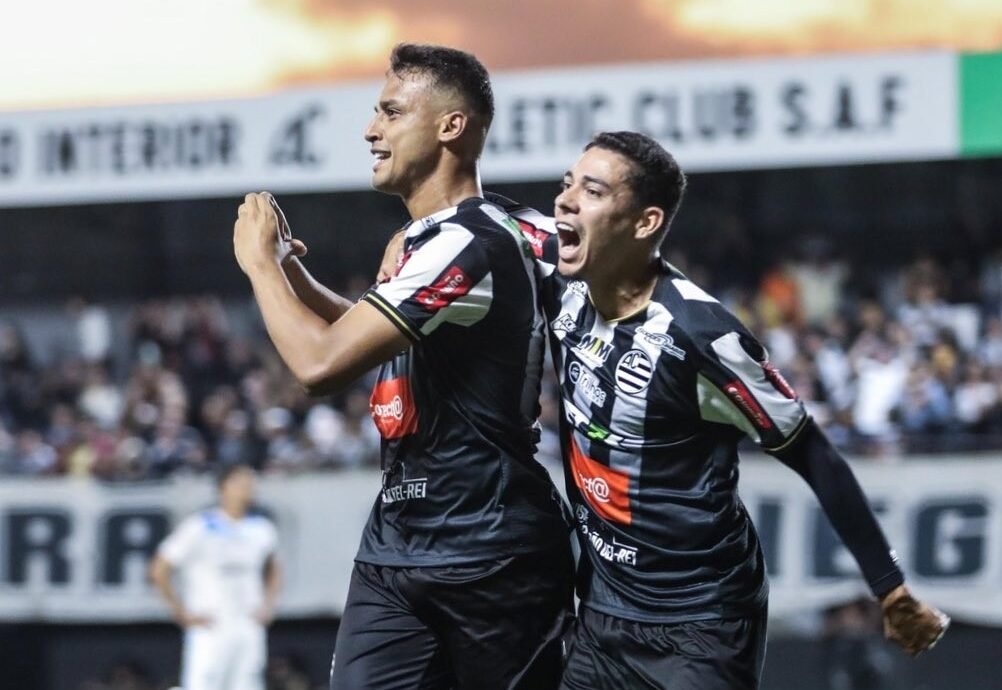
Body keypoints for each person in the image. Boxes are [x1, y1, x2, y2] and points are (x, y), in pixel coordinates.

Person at [497, 131, 948, 689]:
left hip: (701, 620)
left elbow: (813, 453)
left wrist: (890, 586)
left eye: (591, 190)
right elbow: (476, 213)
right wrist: (411, 238)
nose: (564, 200)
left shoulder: (703, 338)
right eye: (566, 185)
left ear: (645, 223)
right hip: (605, 610)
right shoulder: (557, 263)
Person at [231, 43, 573, 690]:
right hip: (398, 543)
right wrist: (289, 270)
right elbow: (368, 331)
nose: (370, 129)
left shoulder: (468, 245)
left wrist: (257, 265)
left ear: (451, 127)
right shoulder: (445, 238)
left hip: (489, 552)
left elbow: (320, 365)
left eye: (390, 112)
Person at [149, 464, 281, 690]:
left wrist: (268, 604)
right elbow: (159, 568)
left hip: (248, 624)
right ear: (223, 488)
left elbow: (274, 567)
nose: (247, 488)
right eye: (240, 483)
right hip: (211, 624)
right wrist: (180, 612)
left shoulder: (261, 529)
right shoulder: (199, 526)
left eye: (250, 483)